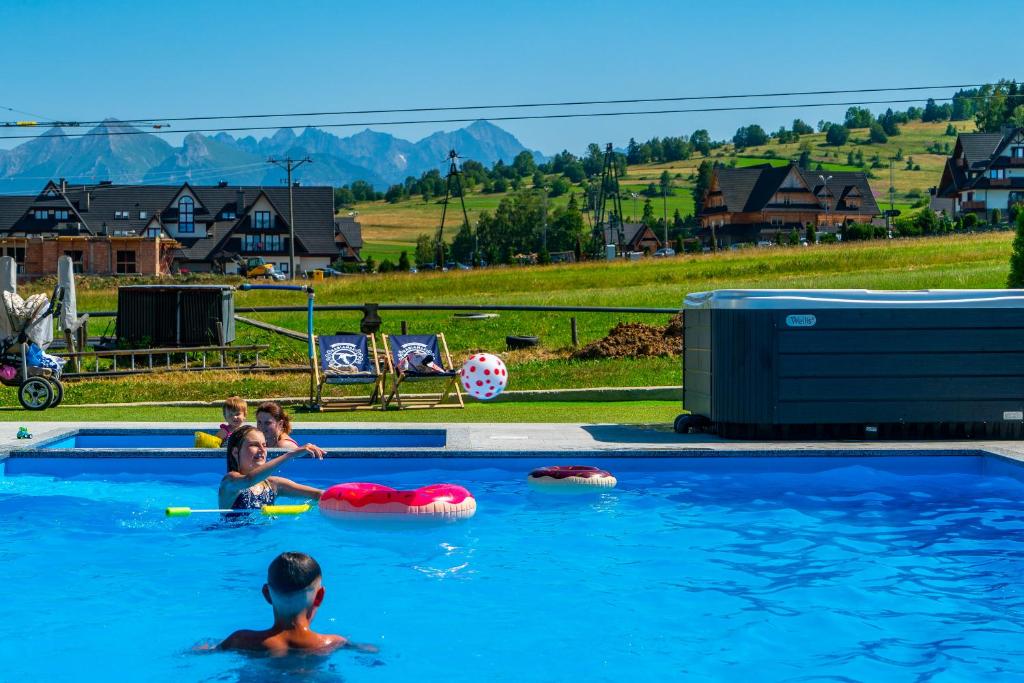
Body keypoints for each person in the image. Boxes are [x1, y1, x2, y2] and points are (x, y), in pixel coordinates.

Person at [219, 552, 376, 655]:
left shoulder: (241, 640)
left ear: (267, 594)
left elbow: (203, 651)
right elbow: (370, 651)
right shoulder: (333, 643)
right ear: (319, 596)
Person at [218, 425, 325, 510]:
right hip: (233, 536)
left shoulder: (273, 485)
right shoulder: (229, 482)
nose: (262, 449)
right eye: (254, 445)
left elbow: (318, 495)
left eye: (264, 445)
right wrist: (290, 454)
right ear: (236, 452)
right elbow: (248, 480)